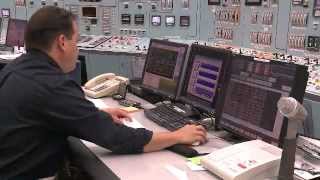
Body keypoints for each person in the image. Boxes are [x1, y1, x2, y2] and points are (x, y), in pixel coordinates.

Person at [0, 6, 207, 180]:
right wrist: (177, 135)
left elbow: (60, 113)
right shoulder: (52, 85)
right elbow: (119, 139)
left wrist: (98, 115)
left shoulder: (17, 69)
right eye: (76, 41)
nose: (77, 49)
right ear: (62, 42)